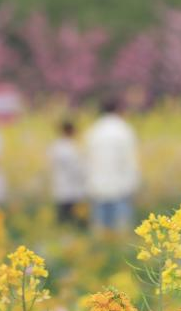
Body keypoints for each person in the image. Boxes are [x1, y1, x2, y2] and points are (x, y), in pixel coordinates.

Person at [85, 98, 139, 232]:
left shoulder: (94, 130)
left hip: (97, 185)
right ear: (117, 110)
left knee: (100, 229)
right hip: (120, 186)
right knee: (121, 229)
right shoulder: (123, 130)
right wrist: (134, 182)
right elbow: (130, 160)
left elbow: (87, 159)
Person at [48, 119, 84, 224]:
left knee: (63, 214)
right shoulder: (68, 148)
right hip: (70, 187)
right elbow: (75, 169)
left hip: (61, 186)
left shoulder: (56, 146)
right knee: (70, 216)